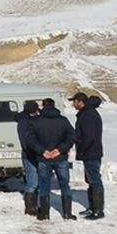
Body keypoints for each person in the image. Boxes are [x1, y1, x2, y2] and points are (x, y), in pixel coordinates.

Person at [29, 97, 76, 221]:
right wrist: (59, 150)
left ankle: (44, 214)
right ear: (55, 106)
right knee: (65, 185)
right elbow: (71, 137)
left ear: (43, 106)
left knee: (44, 185)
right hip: (60, 157)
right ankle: (67, 214)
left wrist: (42, 151)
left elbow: (31, 140)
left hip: (44, 158)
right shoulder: (63, 121)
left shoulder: (36, 121)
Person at [71, 91, 105, 220]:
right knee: (90, 180)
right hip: (90, 152)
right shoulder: (86, 113)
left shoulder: (88, 115)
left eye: (74, 101)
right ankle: (92, 207)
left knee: (95, 181)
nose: (73, 104)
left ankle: (98, 210)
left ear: (80, 102)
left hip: (91, 153)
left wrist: (82, 151)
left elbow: (89, 137)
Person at [16, 100, 40, 217]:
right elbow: (26, 142)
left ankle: (33, 205)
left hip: (32, 154)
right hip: (30, 155)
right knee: (32, 182)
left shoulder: (23, 121)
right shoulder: (25, 122)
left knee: (33, 181)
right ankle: (30, 208)